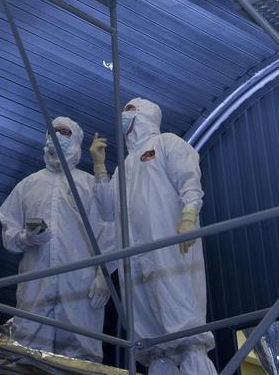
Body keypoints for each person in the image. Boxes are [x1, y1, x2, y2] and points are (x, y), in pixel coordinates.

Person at [91, 98, 216, 375]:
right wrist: (100, 168)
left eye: (130, 109)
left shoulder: (166, 143)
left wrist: (188, 217)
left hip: (170, 248)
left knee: (185, 330)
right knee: (151, 342)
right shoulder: (124, 166)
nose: (124, 114)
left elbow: (189, 180)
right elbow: (108, 211)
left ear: (147, 114)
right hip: (134, 261)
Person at [0, 116, 111, 362]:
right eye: (52, 131)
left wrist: (104, 274)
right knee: (28, 351)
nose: (56, 136)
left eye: (64, 132)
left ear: (77, 140)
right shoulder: (28, 186)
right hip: (35, 285)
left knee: (80, 354)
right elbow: (9, 234)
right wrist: (28, 238)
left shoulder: (89, 184)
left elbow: (109, 229)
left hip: (80, 285)